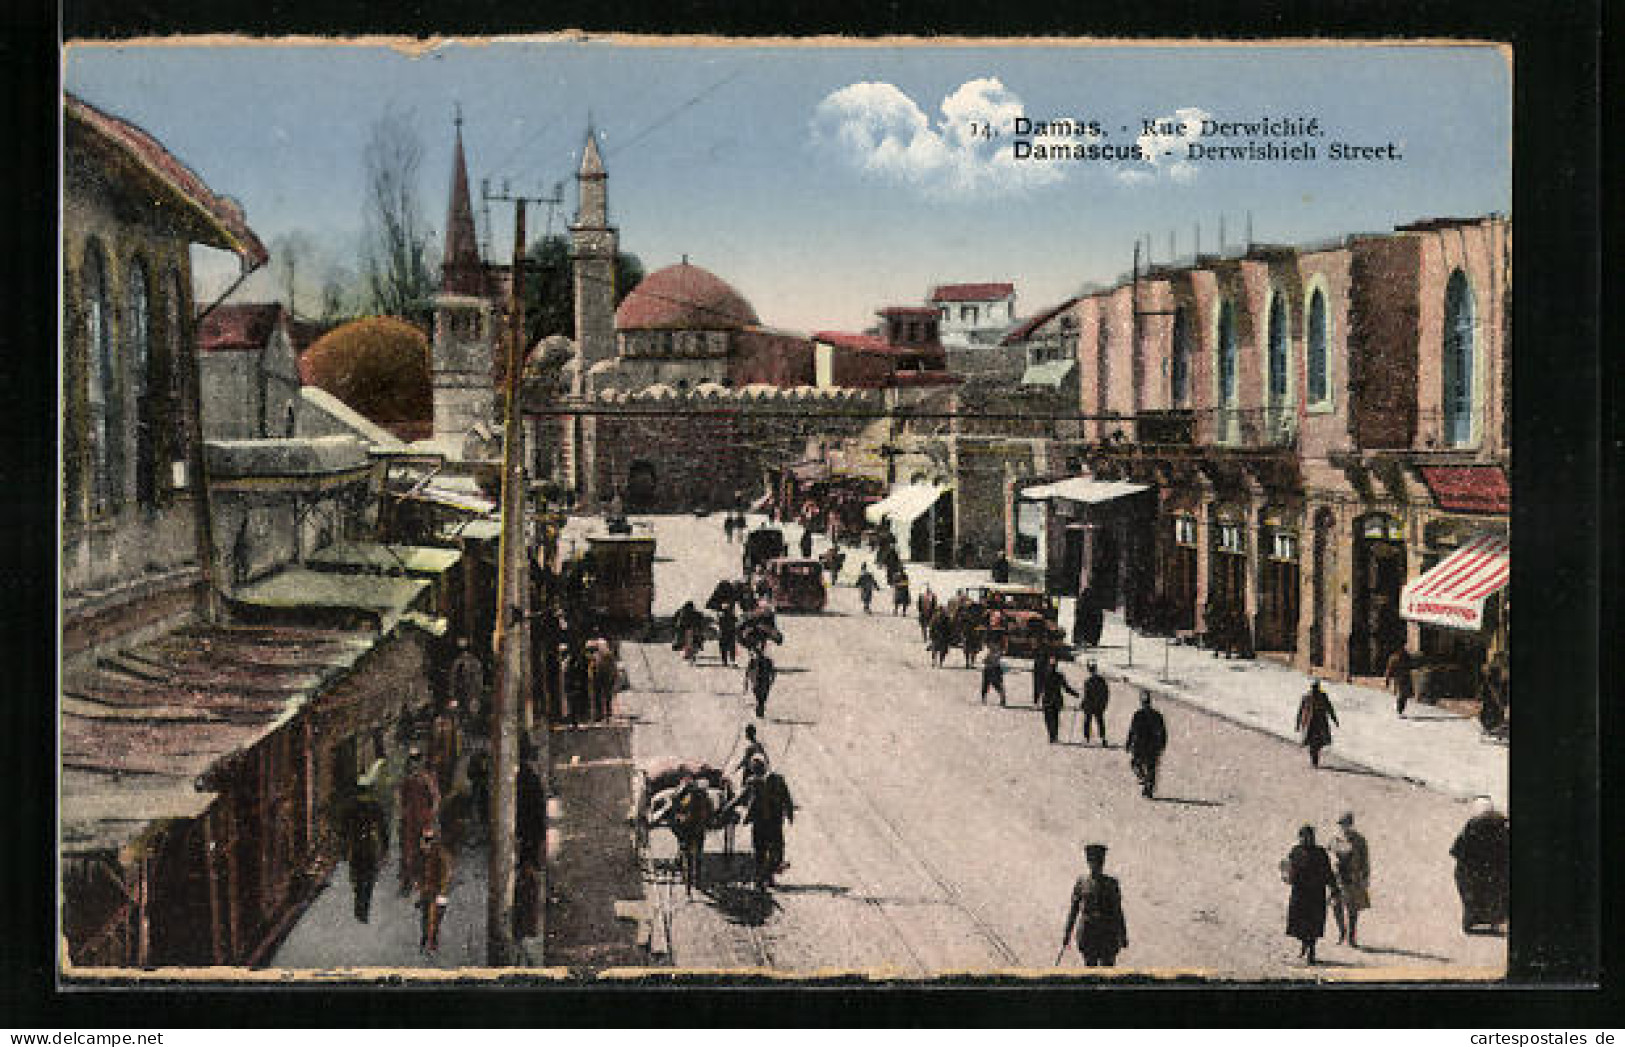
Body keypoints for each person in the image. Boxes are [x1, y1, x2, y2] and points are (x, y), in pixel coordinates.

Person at [732, 756, 795, 889]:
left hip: (762, 823)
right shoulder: (777, 779)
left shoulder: (754, 782)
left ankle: (763, 877)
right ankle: (766, 877)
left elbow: (740, 798)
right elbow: (787, 798)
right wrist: (789, 814)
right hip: (773, 823)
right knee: (773, 850)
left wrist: (726, 808)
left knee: (761, 851)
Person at [1060, 843, 1128, 967]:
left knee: (1108, 972)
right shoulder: (1082, 883)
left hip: (1108, 935)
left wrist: (1123, 935)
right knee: (1090, 970)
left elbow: (1118, 911)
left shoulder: (1111, 883)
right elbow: (1074, 910)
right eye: (1093, 861)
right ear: (1088, 862)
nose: (1096, 865)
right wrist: (1067, 934)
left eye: (1099, 862)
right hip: (1088, 935)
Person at [1283, 825, 1341, 964]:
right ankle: (1305, 945)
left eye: (1309, 836)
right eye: (1303, 836)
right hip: (1300, 893)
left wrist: (1334, 889)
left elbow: (1328, 872)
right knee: (1300, 924)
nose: (1306, 839)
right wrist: (1287, 875)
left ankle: (1311, 950)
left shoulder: (1320, 852)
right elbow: (1289, 870)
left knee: (1313, 925)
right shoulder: (1296, 851)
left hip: (1315, 894)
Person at [1450, 797, 1509, 933]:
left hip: (1473, 872)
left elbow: (1458, 852)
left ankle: (1474, 921)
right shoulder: (1503, 828)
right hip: (1495, 873)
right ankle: (1494, 920)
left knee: (1472, 893)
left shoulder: (1472, 826)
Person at [340, 780, 389, 923]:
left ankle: (359, 906)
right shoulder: (375, 806)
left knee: (357, 877)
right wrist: (385, 850)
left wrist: (344, 848)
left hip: (356, 846)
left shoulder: (350, 807)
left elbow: (343, 830)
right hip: (370, 846)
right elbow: (383, 830)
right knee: (369, 878)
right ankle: (364, 908)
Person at [397, 748, 441, 895]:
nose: (414, 764)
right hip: (410, 820)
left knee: (425, 849)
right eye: (412, 761)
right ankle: (407, 881)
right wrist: (403, 812)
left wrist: (431, 815)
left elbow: (435, 798)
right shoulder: (406, 780)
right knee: (408, 850)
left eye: (416, 760)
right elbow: (401, 799)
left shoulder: (427, 778)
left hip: (423, 819)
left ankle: (424, 881)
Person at [1329, 811, 1372, 947]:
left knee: (1353, 909)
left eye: (1346, 824)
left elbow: (1365, 860)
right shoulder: (1334, 839)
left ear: (1351, 825)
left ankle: (1351, 937)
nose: (1343, 827)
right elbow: (1328, 855)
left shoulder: (1360, 840)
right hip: (1337, 878)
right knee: (1336, 906)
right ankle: (1342, 931)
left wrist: (1365, 877)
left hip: (1353, 878)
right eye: (1341, 824)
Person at [1125, 692, 1168, 798]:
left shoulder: (1138, 714)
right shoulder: (1157, 715)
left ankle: (1144, 780)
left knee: (1136, 764)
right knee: (1151, 767)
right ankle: (1148, 788)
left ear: (1142, 702)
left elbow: (1132, 730)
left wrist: (1129, 743)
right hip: (1153, 746)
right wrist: (1162, 744)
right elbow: (1163, 732)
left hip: (1140, 745)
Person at [417, 826, 452, 954]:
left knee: (433, 922)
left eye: (429, 839)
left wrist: (441, 891)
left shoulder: (440, 853)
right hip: (428, 894)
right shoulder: (423, 854)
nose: (426, 841)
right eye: (425, 838)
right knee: (426, 921)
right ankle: (426, 946)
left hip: (437, 894)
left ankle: (431, 947)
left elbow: (446, 874)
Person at [1295, 679, 1339, 768]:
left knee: (1318, 743)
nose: (1315, 690)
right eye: (1314, 688)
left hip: (1320, 723)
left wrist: (1334, 719)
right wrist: (1298, 723)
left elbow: (1329, 708)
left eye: (1316, 687)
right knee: (1312, 743)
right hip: (1309, 724)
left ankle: (1315, 761)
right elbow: (1301, 711)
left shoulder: (1323, 696)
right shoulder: (1307, 697)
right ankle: (1314, 761)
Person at [1041, 650, 1079, 744]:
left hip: (1047, 700)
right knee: (1055, 719)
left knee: (1049, 719)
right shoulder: (1059, 676)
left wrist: (1037, 697)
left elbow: (1039, 687)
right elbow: (1066, 688)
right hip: (1056, 700)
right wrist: (1075, 694)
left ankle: (1052, 736)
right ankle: (1054, 736)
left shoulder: (1045, 675)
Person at [447, 638, 486, 725]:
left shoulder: (472, 662)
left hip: (470, 693)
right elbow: (453, 679)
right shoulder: (458, 662)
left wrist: (477, 693)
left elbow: (478, 679)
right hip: (463, 693)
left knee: (469, 715)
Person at [429, 700, 462, 795]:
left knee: (450, 776)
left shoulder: (456, 722)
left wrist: (458, 753)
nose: (454, 712)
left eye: (455, 709)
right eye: (452, 709)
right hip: (442, 756)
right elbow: (435, 740)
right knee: (441, 777)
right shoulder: (439, 721)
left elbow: (458, 739)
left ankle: (447, 793)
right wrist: (435, 756)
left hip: (453, 755)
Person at [1081, 661, 1110, 746]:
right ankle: (1103, 738)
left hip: (1090, 705)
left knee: (1088, 721)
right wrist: (1104, 704)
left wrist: (1083, 704)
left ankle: (1087, 738)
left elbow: (1087, 695)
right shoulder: (1101, 680)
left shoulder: (1088, 681)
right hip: (1099, 705)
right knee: (1100, 721)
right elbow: (1106, 693)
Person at [1385, 645, 1415, 717]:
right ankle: (1399, 711)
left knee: (1404, 695)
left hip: (1405, 678)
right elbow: (1389, 669)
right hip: (1400, 678)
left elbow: (1411, 666)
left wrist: (1387, 679)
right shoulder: (1395, 658)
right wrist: (1387, 679)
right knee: (1402, 694)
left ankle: (1400, 710)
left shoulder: (1406, 657)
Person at [747, 649, 778, 718]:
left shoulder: (767, 661)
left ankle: (760, 711)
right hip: (758, 682)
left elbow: (773, 672)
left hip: (763, 681)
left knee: (762, 698)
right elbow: (748, 672)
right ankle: (760, 711)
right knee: (760, 698)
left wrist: (772, 680)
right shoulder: (753, 661)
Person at [980, 632, 1008, 705]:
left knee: (989, 683)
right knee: (991, 683)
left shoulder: (993, 648)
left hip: (992, 667)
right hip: (993, 666)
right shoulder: (997, 648)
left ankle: (985, 698)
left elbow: (985, 657)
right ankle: (985, 698)